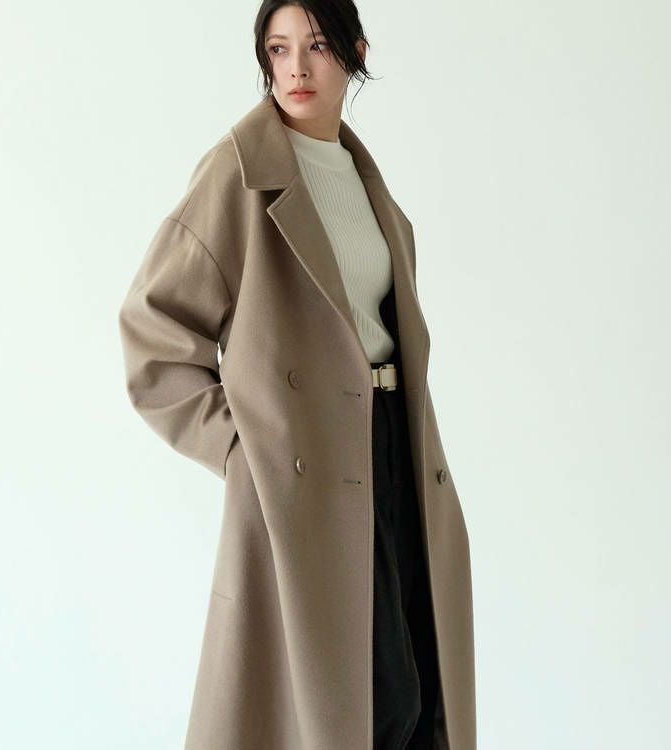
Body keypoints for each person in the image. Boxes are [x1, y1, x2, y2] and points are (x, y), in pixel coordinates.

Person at [117, 2, 476, 748]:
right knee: (372, 705)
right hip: (306, 471)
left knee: (416, 696)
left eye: (316, 46)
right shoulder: (239, 173)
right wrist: (245, 451)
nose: (297, 68)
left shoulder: (363, 180)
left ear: (354, 53)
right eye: (278, 50)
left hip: (394, 450)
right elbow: (154, 336)